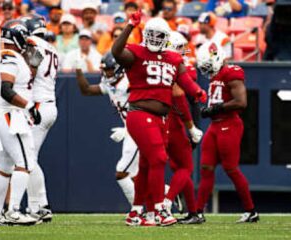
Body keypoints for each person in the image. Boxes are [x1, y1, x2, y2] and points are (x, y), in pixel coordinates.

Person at [112, 14, 206, 227]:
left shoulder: (173, 58)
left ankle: (136, 213)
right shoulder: (136, 51)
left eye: (159, 35)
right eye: (151, 34)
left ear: (166, 37)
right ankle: (158, 210)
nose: (154, 38)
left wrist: (197, 91)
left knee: (146, 164)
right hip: (140, 113)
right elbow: (116, 51)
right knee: (159, 159)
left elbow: (183, 80)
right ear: (145, 35)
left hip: (161, 118)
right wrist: (129, 26)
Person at [195, 42, 259, 223]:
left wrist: (216, 108)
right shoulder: (217, 75)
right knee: (206, 168)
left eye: (208, 66)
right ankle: (198, 212)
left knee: (231, 169)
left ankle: (250, 210)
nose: (206, 71)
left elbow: (241, 102)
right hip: (215, 126)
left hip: (229, 125)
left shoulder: (232, 72)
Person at [0, 19, 41, 225]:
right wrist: (29, 106)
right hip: (11, 115)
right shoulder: (10, 57)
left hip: (8, 115)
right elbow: (6, 90)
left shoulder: (13, 56)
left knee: (4, 166)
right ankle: (13, 210)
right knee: (26, 162)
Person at [75, 52, 139, 207]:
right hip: (131, 129)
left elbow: (143, 106)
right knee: (135, 176)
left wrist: (129, 128)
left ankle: (138, 209)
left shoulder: (130, 82)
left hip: (139, 129)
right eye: (105, 69)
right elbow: (87, 90)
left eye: (109, 69)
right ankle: (166, 194)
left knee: (122, 172)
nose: (106, 72)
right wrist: (78, 70)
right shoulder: (110, 82)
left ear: (118, 69)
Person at [164, 31, 205, 225]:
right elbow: (181, 96)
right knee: (184, 167)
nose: (184, 52)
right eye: (180, 48)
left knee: (178, 167)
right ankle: (165, 202)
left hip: (163, 120)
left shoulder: (158, 64)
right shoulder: (175, 67)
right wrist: (192, 127)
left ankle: (194, 211)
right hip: (177, 121)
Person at [21, 14, 58, 223]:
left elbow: (29, 73)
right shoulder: (52, 47)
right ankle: (37, 205)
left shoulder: (32, 43)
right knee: (28, 157)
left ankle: (40, 205)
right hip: (48, 104)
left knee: (28, 158)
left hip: (37, 106)